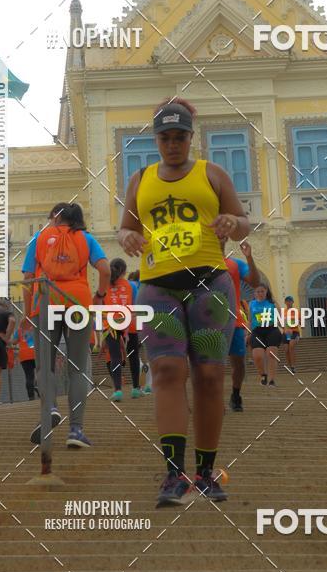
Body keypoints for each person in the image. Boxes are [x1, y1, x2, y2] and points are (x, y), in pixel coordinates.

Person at [118, 98, 249, 506]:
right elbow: (125, 227)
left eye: (180, 137)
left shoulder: (212, 174)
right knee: (166, 370)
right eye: (165, 138)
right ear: (156, 140)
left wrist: (232, 222)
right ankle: (174, 475)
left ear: (191, 138)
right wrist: (127, 237)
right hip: (158, 287)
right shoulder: (140, 179)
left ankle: (206, 473)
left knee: (209, 375)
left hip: (210, 284)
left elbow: (244, 222)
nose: (172, 145)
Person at [21, 202, 110, 448]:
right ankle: (76, 431)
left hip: (46, 301)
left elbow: (27, 278)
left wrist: (27, 313)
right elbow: (105, 269)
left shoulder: (39, 238)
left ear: (56, 217)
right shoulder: (86, 238)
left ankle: (50, 407)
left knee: (44, 366)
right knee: (78, 369)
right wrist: (100, 295)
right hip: (78, 302)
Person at [223, 240, 260, 412]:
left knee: (239, 364)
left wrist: (249, 257)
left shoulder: (235, 264)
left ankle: (235, 394)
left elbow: (255, 282)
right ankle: (214, 398)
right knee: (212, 365)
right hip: (209, 323)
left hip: (234, 321)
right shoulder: (202, 264)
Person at [102, 258, 143, 401]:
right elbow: (135, 306)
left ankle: (118, 390)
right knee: (134, 356)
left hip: (110, 324)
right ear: (124, 271)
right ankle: (136, 389)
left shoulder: (104, 285)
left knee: (115, 357)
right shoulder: (131, 285)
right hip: (129, 322)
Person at [249, 284, 281, 387]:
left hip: (272, 330)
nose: (260, 293)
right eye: (258, 291)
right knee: (257, 356)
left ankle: (272, 380)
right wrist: (247, 332)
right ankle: (263, 375)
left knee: (271, 354)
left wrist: (285, 327)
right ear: (255, 293)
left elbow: (280, 317)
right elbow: (250, 320)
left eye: (262, 291)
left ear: (266, 291)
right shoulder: (251, 304)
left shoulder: (273, 303)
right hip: (257, 331)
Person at [13, 318, 37, 400]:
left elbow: (14, 342)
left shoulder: (19, 331)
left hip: (24, 356)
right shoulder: (35, 328)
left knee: (29, 376)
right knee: (41, 372)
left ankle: (31, 396)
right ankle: (39, 387)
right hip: (35, 353)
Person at [282, 295, 299, 372]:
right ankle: (290, 366)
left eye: (290, 301)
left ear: (292, 302)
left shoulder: (296, 311)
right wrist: (284, 328)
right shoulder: (283, 312)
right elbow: (280, 322)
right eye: (287, 301)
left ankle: (293, 366)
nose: (288, 302)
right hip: (286, 332)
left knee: (291, 346)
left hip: (294, 332)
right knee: (286, 350)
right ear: (285, 302)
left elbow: (301, 322)